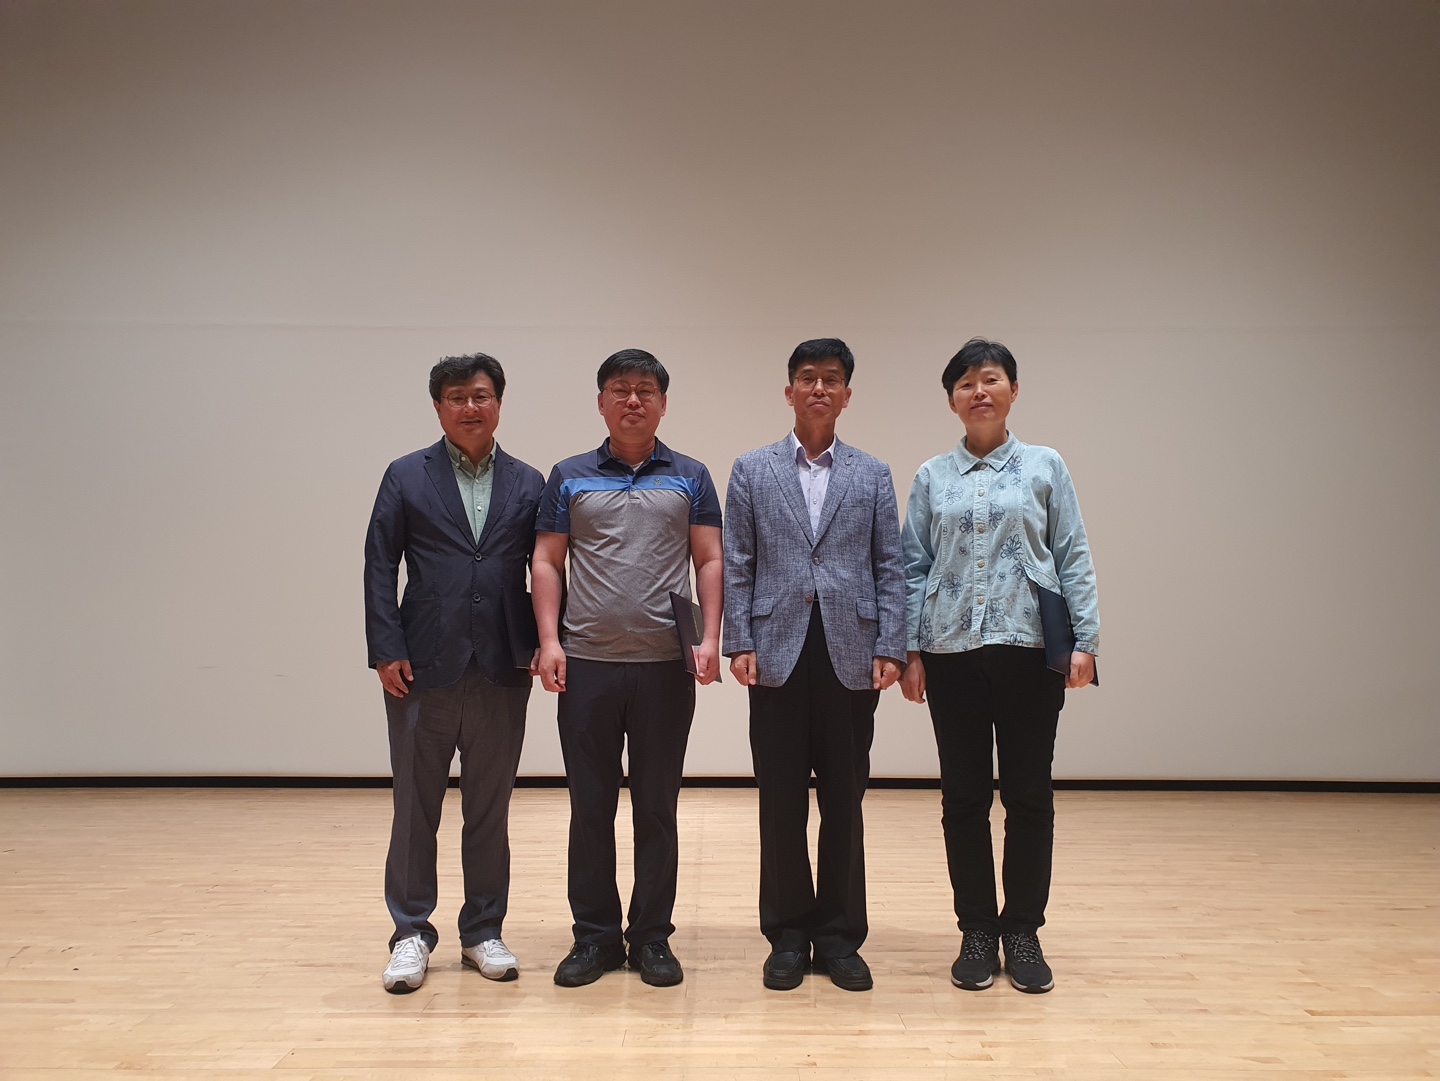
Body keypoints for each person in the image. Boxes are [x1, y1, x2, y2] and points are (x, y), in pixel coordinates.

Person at [900, 338, 1099, 995]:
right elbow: (913, 565)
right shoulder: (932, 476)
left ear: (1013, 390)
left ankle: (1023, 930)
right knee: (963, 798)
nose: (979, 391)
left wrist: (1085, 640)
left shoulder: (1045, 465)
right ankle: (978, 931)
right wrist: (910, 649)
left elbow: (1071, 552)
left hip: (1029, 652)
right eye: (965, 383)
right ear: (952, 401)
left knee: (1028, 795)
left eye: (990, 379)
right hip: (950, 655)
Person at [532, 349, 723, 988]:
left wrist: (708, 638)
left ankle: (651, 938)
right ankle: (594, 937)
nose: (633, 400)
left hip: (665, 667)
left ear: (663, 403)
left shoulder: (691, 475)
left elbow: (708, 560)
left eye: (645, 390)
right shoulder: (569, 476)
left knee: (656, 806)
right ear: (601, 402)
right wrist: (550, 641)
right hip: (587, 664)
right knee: (590, 806)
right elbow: (547, 561)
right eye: (620, 389)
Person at [723, 338, 907, 992]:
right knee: (779, 799)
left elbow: (889, 564)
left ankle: (838, 935)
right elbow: (738, 560)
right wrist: (738, 640)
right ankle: (787, 933)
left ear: (847, 395)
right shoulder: (752, 469)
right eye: (808, 378)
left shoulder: (872, 473)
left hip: (850, 652)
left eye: (831, 379)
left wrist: (891, 645)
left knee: (844, 798)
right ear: (790, 391)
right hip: (775, 650)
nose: (819, 388)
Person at [363, 353, 545, 994]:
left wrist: (544, 643)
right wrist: (386, 647)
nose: (471, 407)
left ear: (499, 403)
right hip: (421, 665)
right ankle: (410, 932)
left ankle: (483, 930)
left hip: (502, 665)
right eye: (458, 397)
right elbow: (379, 562)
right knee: (415, 806)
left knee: (489, 807)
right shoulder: (406, 475)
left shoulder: (529, 482)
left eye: (482, 395)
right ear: (439, 407)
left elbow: (546, 568)